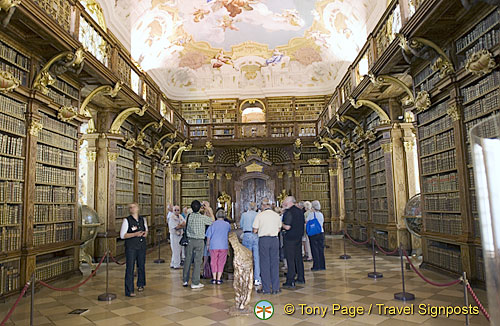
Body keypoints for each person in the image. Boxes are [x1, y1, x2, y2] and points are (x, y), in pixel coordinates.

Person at [252, 198, 282, 294]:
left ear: (263, 205)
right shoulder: (276, 215)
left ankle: (266, 288)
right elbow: (279, 228)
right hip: (274, 240)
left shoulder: (260, 215)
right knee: (275, 263)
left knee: (264, 263)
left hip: (264, 240)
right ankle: (276, 288)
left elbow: (255, 230)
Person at [182, 200, 213, 289]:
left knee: (188, 260)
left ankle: (185, 280)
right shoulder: (202, 218)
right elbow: (213, 220)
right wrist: (208, 209)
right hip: (199, 241)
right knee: (197, 261)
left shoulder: (189, 216)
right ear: (200, 208)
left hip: (190, 241)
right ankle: (195, 282)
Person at [120, 202, 148, 297]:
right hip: (131, 247)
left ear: (138, 208)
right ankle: (129, 290)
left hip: (141, 246)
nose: (132, 209)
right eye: (130, 208)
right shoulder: (126, 220)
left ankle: (141, 284)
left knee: (141, 266)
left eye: (134, 207)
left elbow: (146, 230)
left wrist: (144, 234)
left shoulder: (142, 219)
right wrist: (135, 234)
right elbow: (123, 235)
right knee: (130, 268)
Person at [282, 196, 305, 288]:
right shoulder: (300, 211)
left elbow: (287, 227)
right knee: (298, 258)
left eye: (285, 203)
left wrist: (281, 224)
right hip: (298, 237)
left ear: (289, 202)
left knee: (290, 259)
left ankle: (290, 280)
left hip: (290, 239)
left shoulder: (289, 212)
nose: (284, 204)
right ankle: (301, 277)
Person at [206, 209, 231, 284]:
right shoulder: (227, 224)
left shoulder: (212, 224)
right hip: (223, 245)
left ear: (216, 216)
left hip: (213, 245)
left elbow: (208, 236)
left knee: (213, 261)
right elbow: (229, 233)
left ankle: (214, 278)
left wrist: (207, 245)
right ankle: (219, 278)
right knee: (221, 262)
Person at [240, 202, 261, 286]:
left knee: (247, 258)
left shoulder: (244, 215)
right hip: (256, 235)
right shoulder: (258, 214)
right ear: (255, 208)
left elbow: (241, 225)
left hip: (247, 234)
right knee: (256, 258)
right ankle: (257, 279)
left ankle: (247, 278)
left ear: (248, 208)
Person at [308, 200, 326, 271]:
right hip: (321, 233)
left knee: (314, 250)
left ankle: (316, 266)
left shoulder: (311, 214)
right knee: (321, 249)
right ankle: (322, 265)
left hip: (313, 234)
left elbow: (307, 221)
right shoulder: (321, 214)